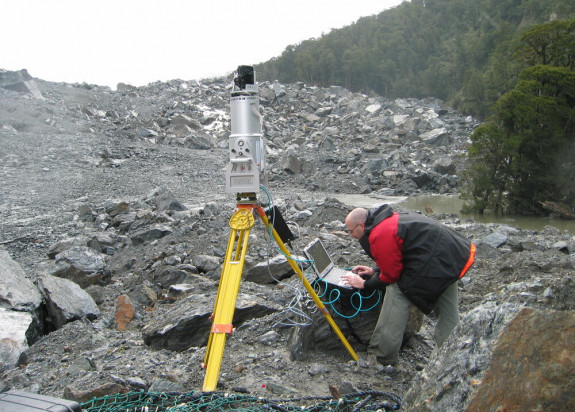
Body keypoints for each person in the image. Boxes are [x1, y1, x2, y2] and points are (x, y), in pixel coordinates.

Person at [341, 204, 476, 366]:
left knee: (396, 290)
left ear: (361, 226)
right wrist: (375, 270)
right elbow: (401, 252)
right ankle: (451, 357)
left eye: (351, 231)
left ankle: (381, 356)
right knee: (448, 308)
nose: (350, 235)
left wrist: (365, 284)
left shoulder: (379, 233)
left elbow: (391, 276)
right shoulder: (386, 218)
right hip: (452, 255)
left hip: (436, 260)